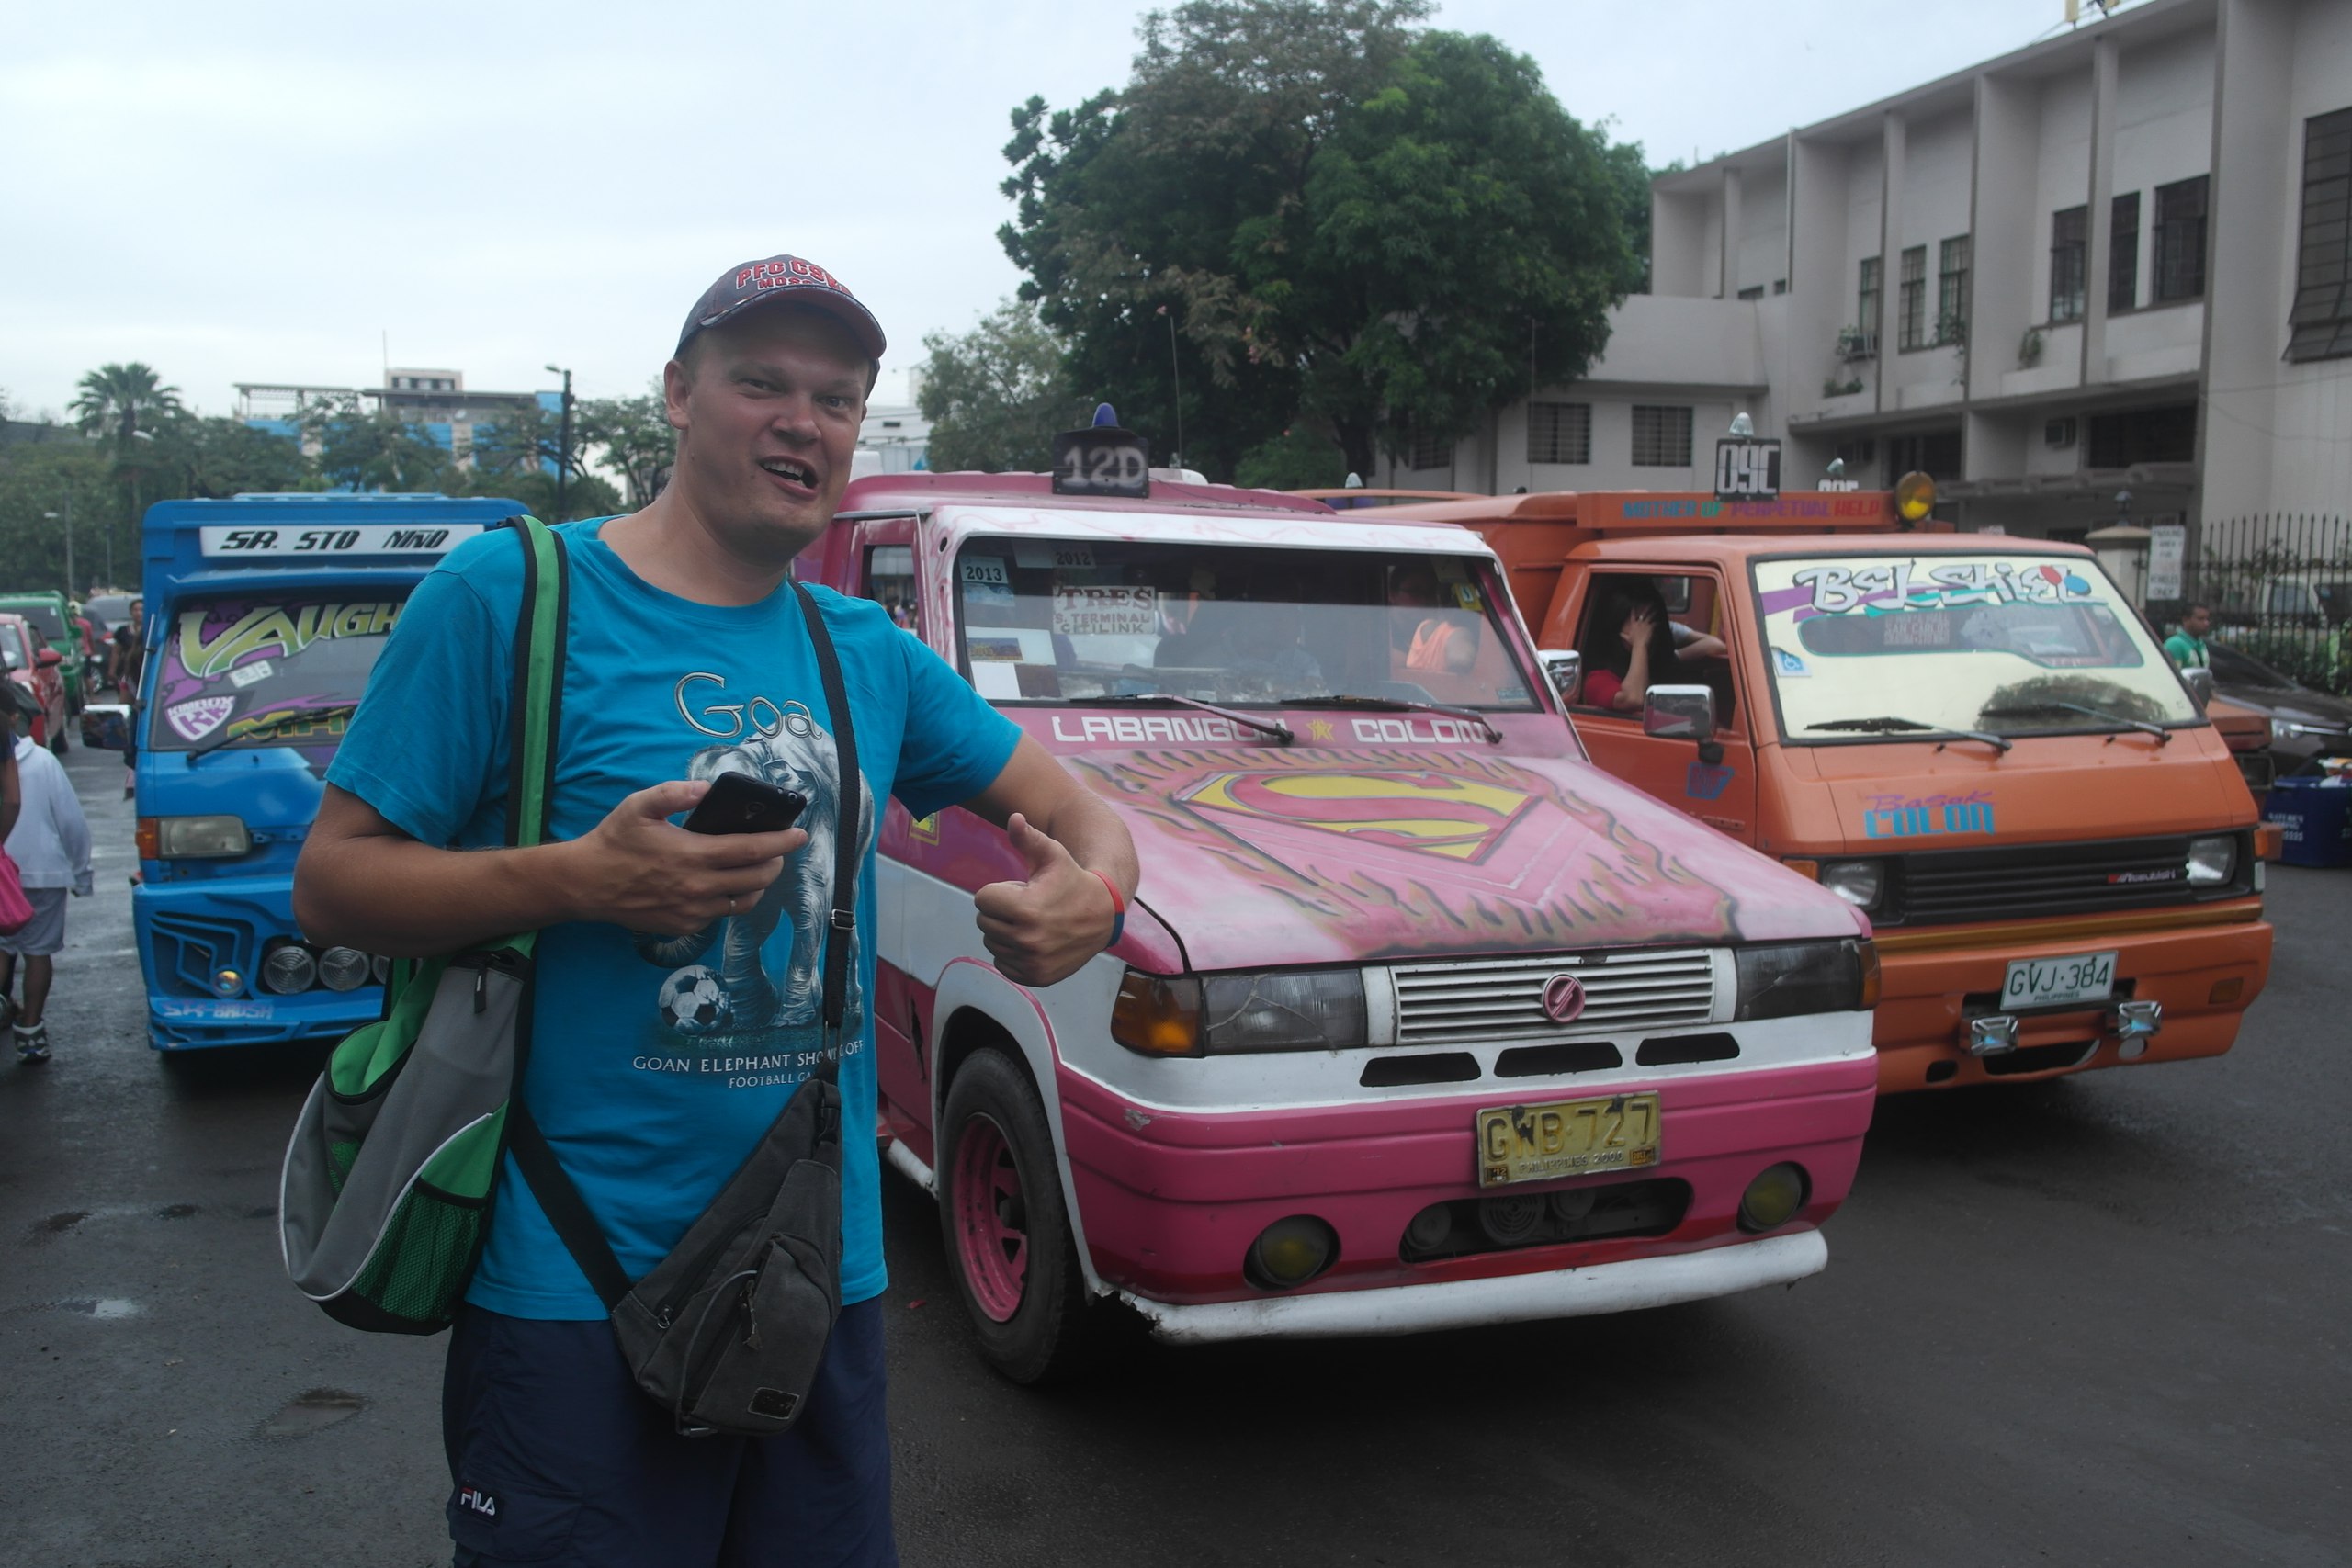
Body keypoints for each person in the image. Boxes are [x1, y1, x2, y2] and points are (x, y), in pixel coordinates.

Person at [292, 254, 1138, 1568]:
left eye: (840, 397)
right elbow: (335, 881)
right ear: (679, 394)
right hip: (567, 1275)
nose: (805, 419)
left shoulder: (867, 655)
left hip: (815, 1270)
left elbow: (1088, 818)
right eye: (763, 381)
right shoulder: (511, 597)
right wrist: (574, 879)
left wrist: (1095, 893)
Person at [1, 698, 94, 1065]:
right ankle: (31, 1031)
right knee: (38, 952)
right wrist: (81, 873)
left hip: (3, 872)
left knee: (3, 946)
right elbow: (71, 822)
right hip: (44, 872)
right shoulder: (42, 761)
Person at [1577, 577, 1689, 712]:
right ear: (1618, 625)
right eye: (1639, 621)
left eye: (1652, 619)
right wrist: (1639, 644)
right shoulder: (1598, 679)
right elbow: (1633, 699)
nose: (1647, 629)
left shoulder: (1667, 668)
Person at [2165, 602, 2213, 670]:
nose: (2206, 623)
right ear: (2185, 619)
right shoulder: (2175, 644)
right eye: (2201, 619)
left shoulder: (2201, 643)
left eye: (2207, 619)